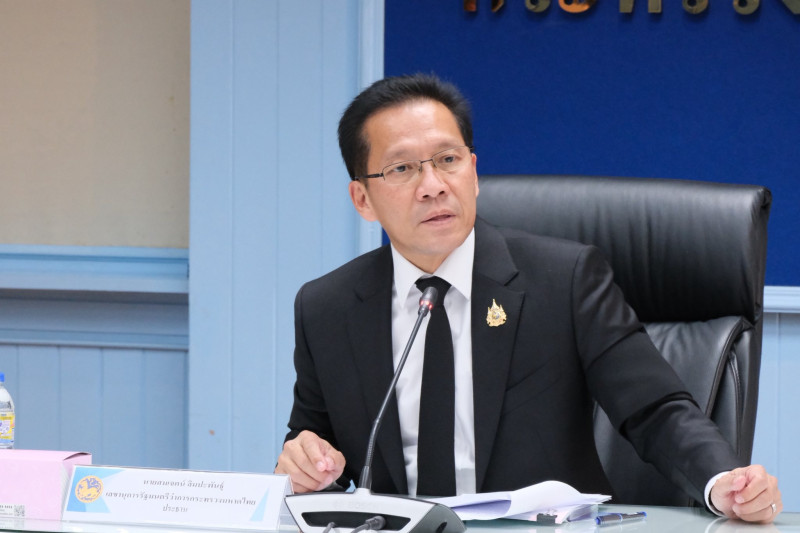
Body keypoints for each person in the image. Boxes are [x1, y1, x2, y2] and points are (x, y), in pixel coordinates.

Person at [275, 73, 782, 523]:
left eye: (448, 160)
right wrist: (303, 466)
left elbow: (655, 410)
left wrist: (723, 482)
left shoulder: (564, 281)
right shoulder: (327, 308)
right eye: (402, 169)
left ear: (473, 171)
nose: (433, 186)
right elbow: (315, 448)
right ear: (362, 199)